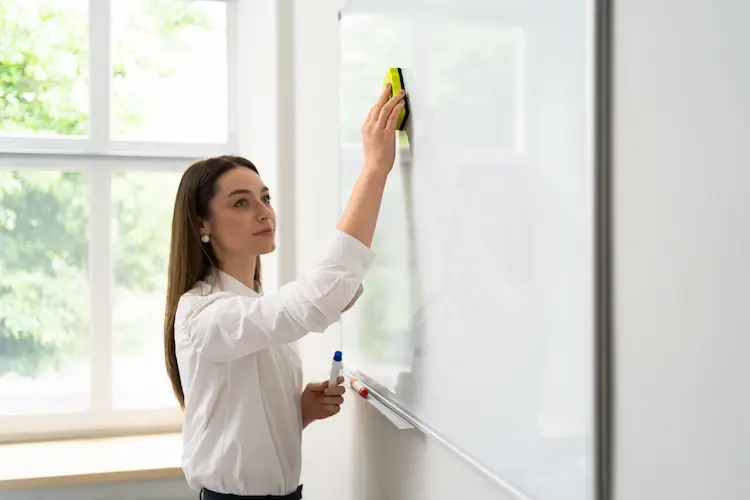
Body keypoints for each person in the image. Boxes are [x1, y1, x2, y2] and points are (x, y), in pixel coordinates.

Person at [163, 83, 407, 499]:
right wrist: (373, 170)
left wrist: (297, 412)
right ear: (201, 224)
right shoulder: (202, 314)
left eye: (265, 198)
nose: (263, 213)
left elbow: (239, 425)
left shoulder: (252, 306)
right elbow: (318, 299)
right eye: (241, 203)